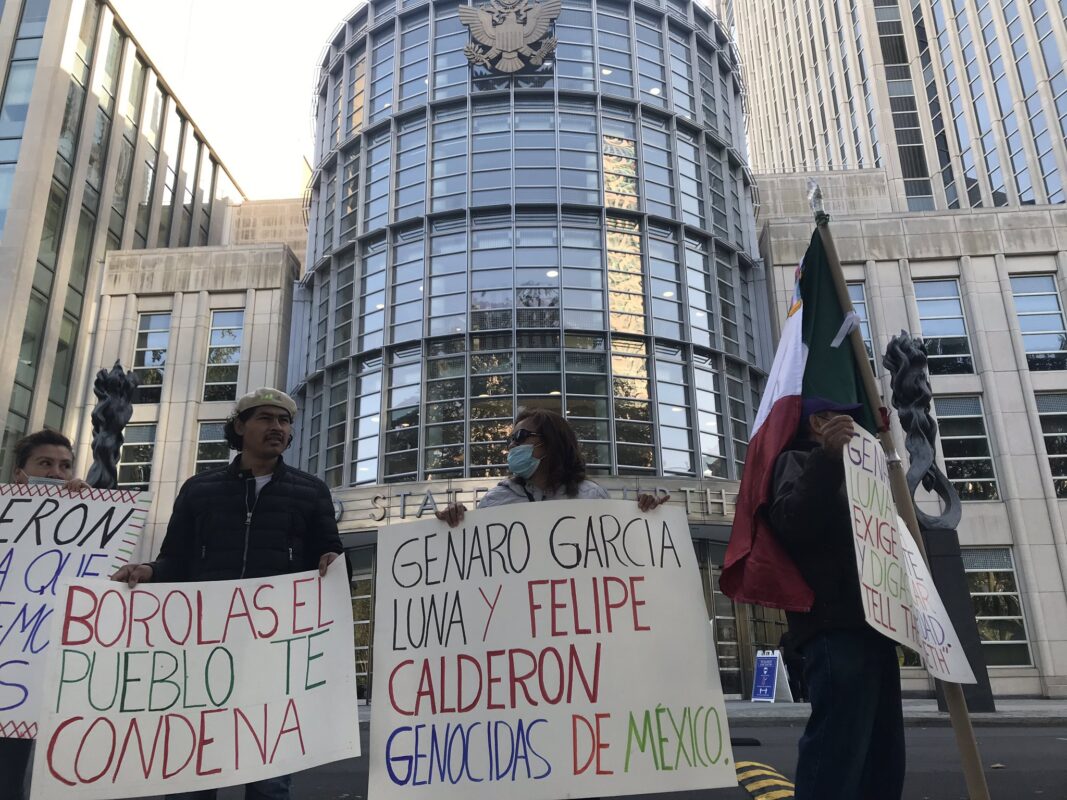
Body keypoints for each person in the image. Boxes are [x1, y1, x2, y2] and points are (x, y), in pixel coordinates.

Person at [112, 388, 344, 800]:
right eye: (266, 418)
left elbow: (330, 561)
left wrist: (331, 563)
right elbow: (175, 561)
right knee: (192, 772)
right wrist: (147, 571)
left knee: (270, 778)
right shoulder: (199, 489)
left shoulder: (311, 492)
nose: (277, 427)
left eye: (284, 421)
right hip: (203, 655)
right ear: (239, 426)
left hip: (273, 655)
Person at [768, 397, 905, 800]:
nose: (858, 428)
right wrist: (826, 461)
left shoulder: (862, 472)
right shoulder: (797, 461)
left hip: (877, 626)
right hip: (834, 627)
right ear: (819, 424)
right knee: (838, 753)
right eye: (848, 419)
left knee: (882, 757)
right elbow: (793, 522)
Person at [2, 430, 91, 800]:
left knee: (9, 777)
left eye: (65, 466)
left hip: (21, 687)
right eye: (45, 464)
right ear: (19, 472)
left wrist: (90, 515)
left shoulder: (86, 523)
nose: (57, 473)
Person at [436, 407, 668, 523]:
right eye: (511, 440)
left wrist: (648, 517)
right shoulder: (494, 501)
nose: (513, 445)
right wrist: (458, 525)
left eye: (522, 436)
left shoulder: (592, 496)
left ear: (552, 442)